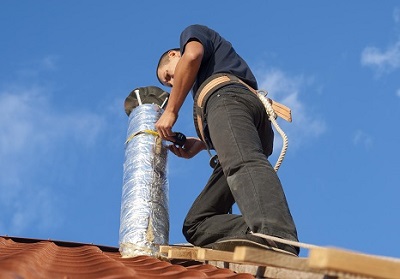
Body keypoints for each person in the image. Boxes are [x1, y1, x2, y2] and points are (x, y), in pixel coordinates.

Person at [155, 24, 299, 255]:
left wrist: (171, 110)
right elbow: (235, 129)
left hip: (228, 99)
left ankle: (277, 236)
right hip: (240, 118)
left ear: (174, 54)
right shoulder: (205, 85)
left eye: (169, 75)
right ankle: (257, 234)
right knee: (197, 224)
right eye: (169, 83)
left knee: (243, 164)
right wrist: (202, 144)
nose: (173, 83)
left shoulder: (191, 35)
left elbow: (192, 57)